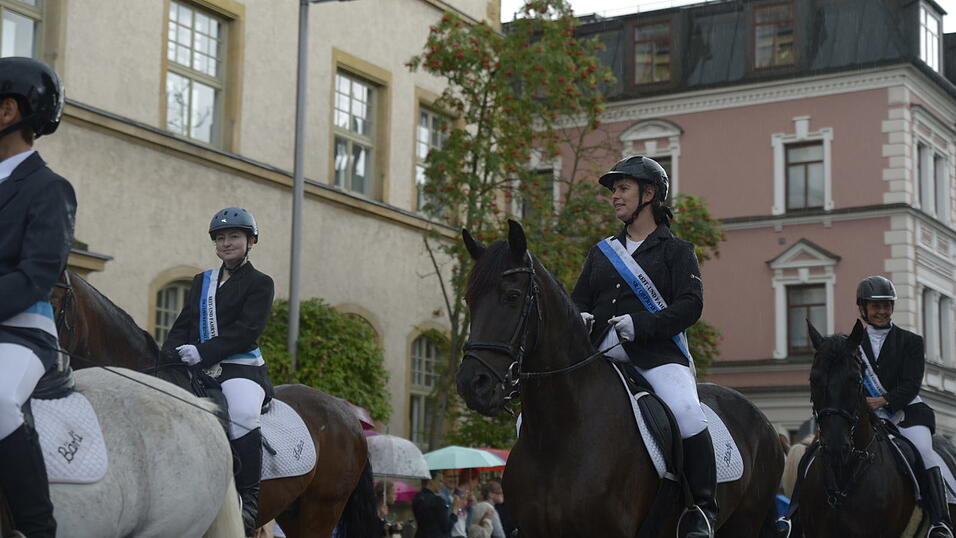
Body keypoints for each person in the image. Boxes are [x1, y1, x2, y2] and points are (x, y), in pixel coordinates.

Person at [571, 156, 714, 538]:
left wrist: (643, 325)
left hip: (657, 356)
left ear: (648, 194)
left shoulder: (677, 250)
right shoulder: (602, 252)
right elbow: (578, 300)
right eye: (614, 191)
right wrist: (579, 319)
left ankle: (701, 509)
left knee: (688, 413)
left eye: (622, 189)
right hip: (601, 354)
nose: (615, 197)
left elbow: (690, 305)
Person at [162, 207, 275, 537]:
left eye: (234, 237)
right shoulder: (202, 281)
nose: (227, 243)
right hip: (200, 368)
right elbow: (182, 325)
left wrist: (203, 351)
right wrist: (169, 356)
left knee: (241, 414)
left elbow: (246, 331)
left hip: (240, 366)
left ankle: (249, 499)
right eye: (221, 238)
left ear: (250, 241)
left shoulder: (260, 283)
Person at [0, 56, 70, 538]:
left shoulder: (49, 188)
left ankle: (36, 528)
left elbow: (36, 275)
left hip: (21, 333)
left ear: (8, 112)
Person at [855, 276, 953, 538]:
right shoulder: (852, 345)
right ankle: (797, 513)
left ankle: (939, 521)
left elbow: (912, 383)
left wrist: (884, 400)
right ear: (862, 309)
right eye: (876, 306)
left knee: (923, 450)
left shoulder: (910, 341)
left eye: (887, 305)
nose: (882, 311)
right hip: (866, 415)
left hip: (906, 413)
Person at [413, 470, 464, 538]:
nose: (442, 484)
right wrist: (455, 510)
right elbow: (447, 527)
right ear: (431, 481)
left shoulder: (417, 497)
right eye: (440, 481)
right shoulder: (437, 500)